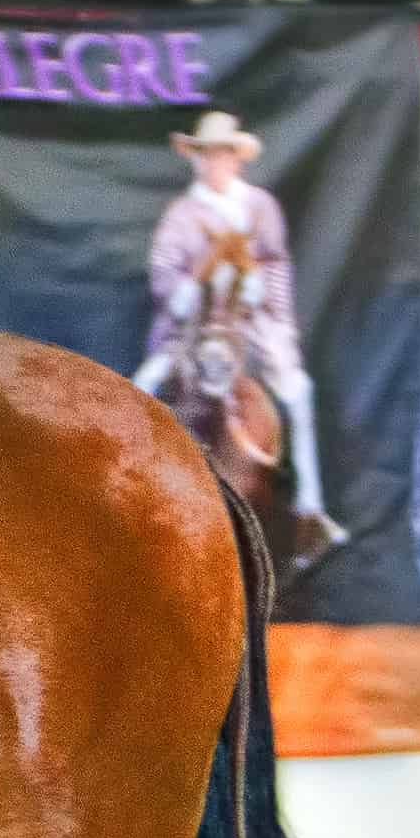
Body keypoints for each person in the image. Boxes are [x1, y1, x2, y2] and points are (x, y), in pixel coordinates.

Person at [133, 110, 348, 572]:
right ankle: (134, 506)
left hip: (253, 324)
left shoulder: (260, 208)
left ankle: (309, 511)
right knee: (142, 387)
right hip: (193, 330)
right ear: (196, 158)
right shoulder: (181, 217)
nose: (215, 162)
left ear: (236, 158)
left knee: (297, 393)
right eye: (206, 154)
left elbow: (276, 268)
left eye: (223, 153)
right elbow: (164, 281)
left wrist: (257, 296)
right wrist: (197, 283)